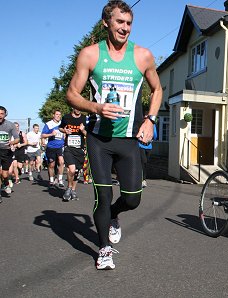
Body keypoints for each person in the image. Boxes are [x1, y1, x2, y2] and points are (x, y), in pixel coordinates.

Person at [66, 0, 162, 270]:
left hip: (129, 139)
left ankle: (115, 216)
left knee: (132, 198)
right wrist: (97, 107)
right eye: (120, 22)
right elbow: (71, 94)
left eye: (129, 23)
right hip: (98, 139)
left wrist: (151, 120)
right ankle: (104, 248)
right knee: (103, 197)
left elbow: (157, 90)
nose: (125, 28)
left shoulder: (143, 56)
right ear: (106, 22)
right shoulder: (90, 55)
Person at [60, 108, 87, 201]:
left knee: (77, 172)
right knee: (71, 169)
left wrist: (83, 131)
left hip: (79, 149)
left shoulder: (85, 119)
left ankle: (73, 190)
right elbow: (60, 127)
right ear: (73, 107)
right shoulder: (66, 117)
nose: (78, 109)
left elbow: (88, 134)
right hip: (69, 147)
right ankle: (68, 188)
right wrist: (65, 131)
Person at [41, 110, 65, 189]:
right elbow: (43, 135)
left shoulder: (63, 123)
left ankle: (60, 179)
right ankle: (51, 180)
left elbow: (65, 132)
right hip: (51, 147)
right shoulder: (49, 124)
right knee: (52, 164)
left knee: (61, 162)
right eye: (57, 114)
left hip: (60, 147)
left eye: (60, 114)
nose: (58, 116)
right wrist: (51, 134)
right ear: (53, 115)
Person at [0, 106, 19, 199]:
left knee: (4, 173)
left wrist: (12, 142)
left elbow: (17, 139)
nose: (0, 116)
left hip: (6, 151)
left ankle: (6, 181)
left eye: (2, 114)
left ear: (5, 114)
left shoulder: (10, 125)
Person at [139, 114, 157, 188]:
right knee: (143, 161)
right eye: (145, 118)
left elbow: (155, 136)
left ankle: (143, 179)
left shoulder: (152, 126)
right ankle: (142, 180)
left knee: (145, 163)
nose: (146, 119)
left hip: (148, 146)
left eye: (148, 118)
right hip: (140, 145)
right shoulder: (140, 125)